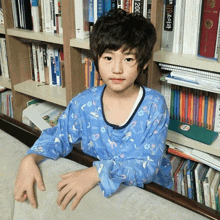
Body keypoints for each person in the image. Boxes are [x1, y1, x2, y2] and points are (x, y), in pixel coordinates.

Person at [14, 9, 173, 211]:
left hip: (151, 193)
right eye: (108, 58)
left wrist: (96, 173)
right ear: (96, 58)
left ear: (144, 62)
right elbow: (59, 136)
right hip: (107, 195)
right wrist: (30, 158)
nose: (117, 69)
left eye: (128, 59)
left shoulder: (154, 105)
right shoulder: (84, 102)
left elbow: (148, 167)